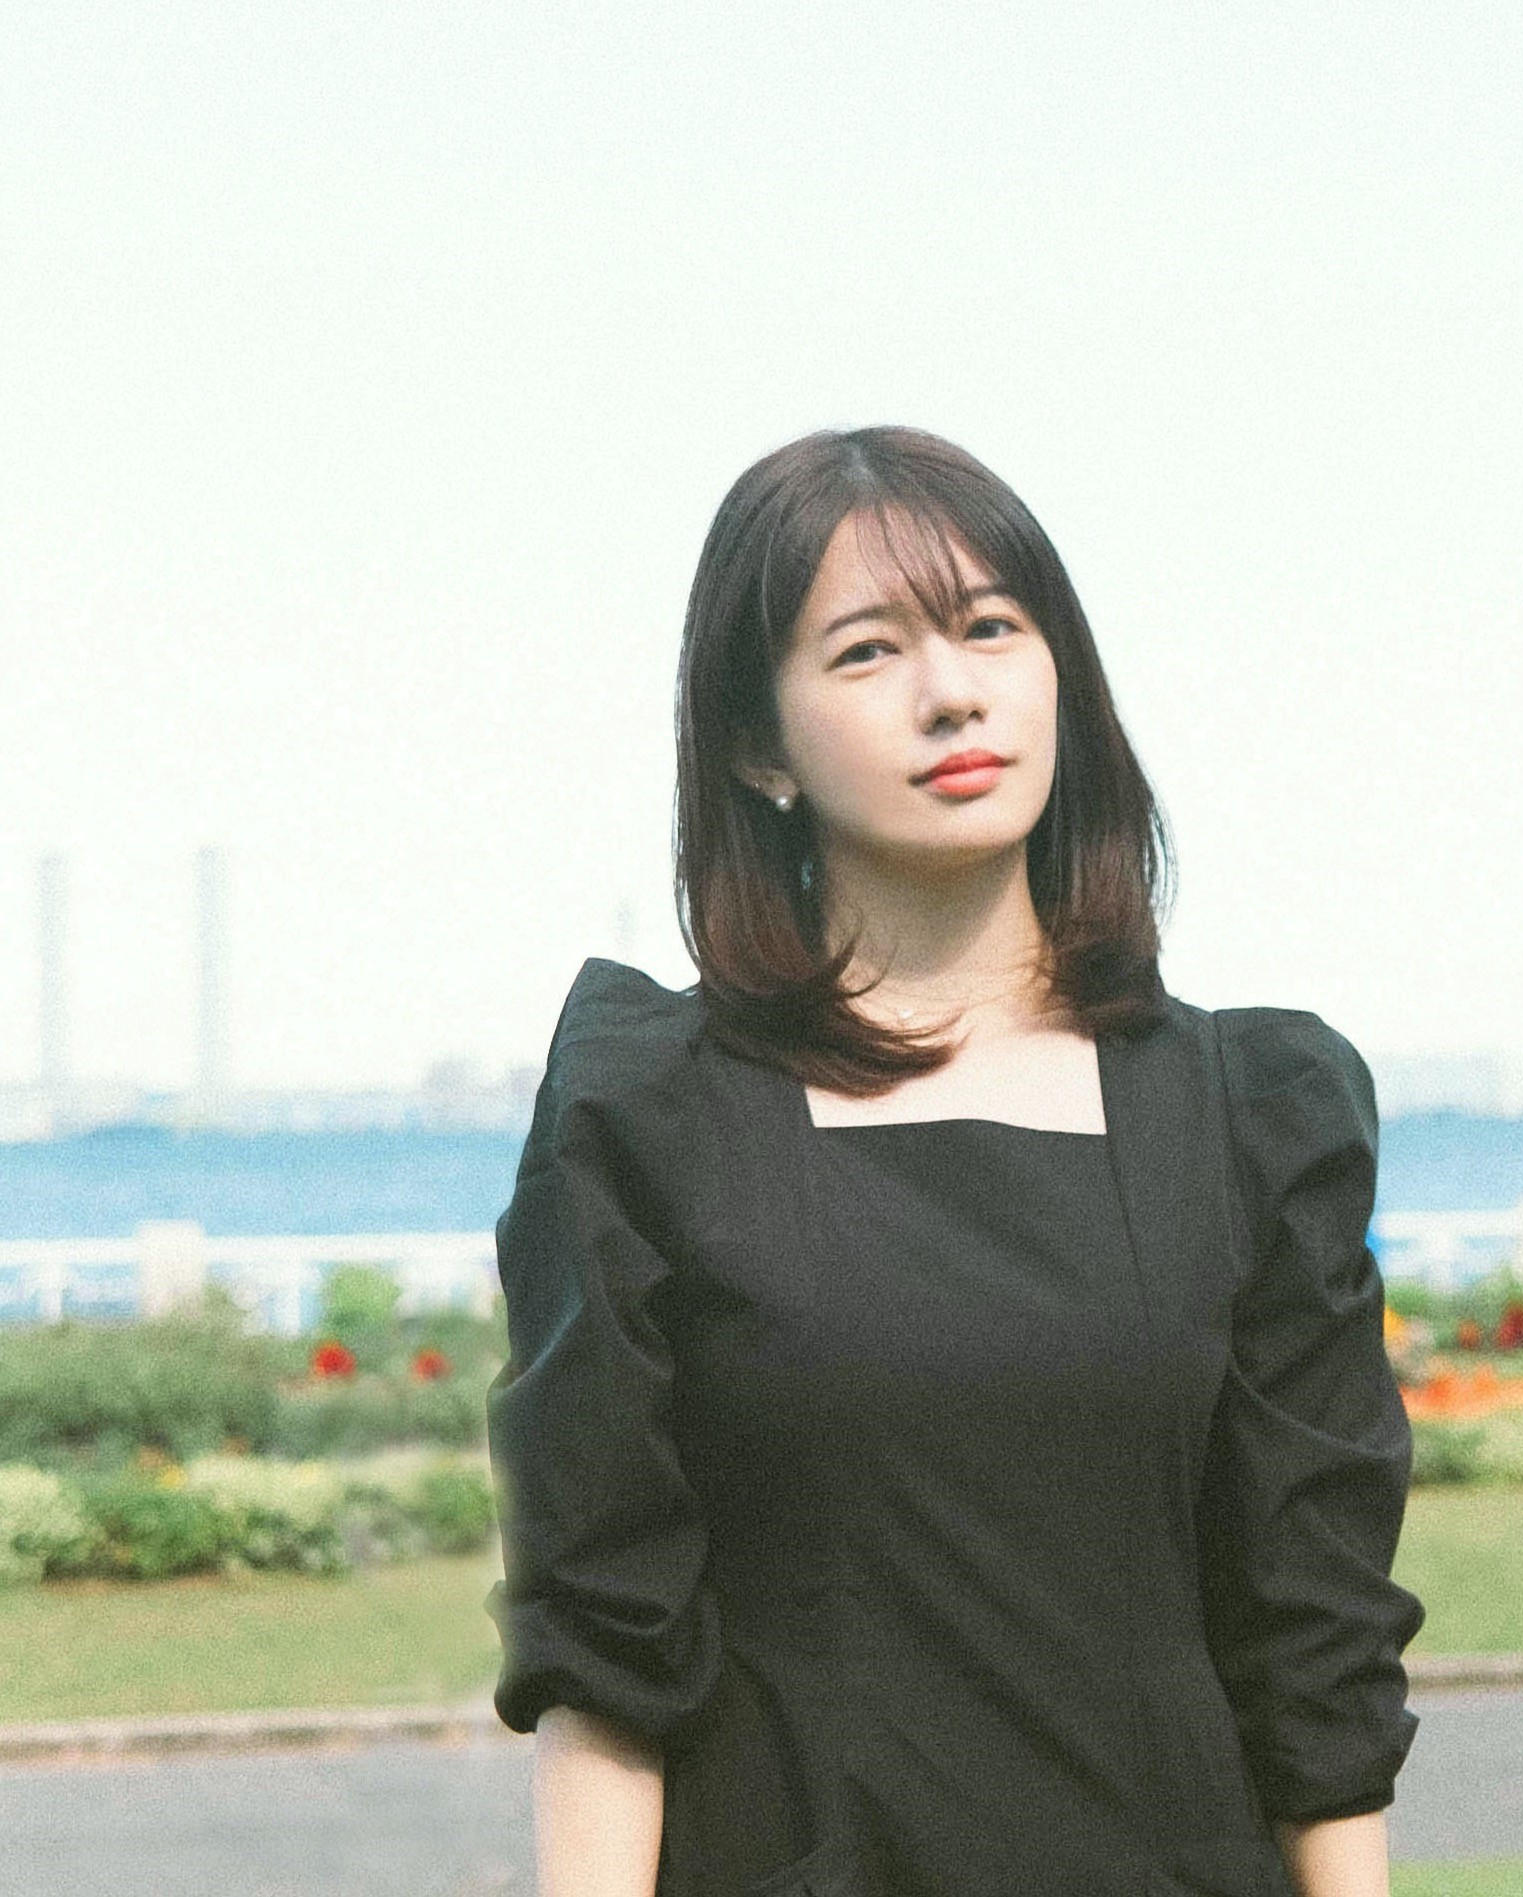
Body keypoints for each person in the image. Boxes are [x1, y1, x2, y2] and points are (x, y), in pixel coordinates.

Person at [483, 424, 1426, 1897]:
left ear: (1061, 676)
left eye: (991, 627)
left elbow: (1314, 1640)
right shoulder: (647, 1109)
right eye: (866, 651)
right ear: (755, 744)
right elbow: (605, 1643)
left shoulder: (1252, 1113)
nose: (951, 692)